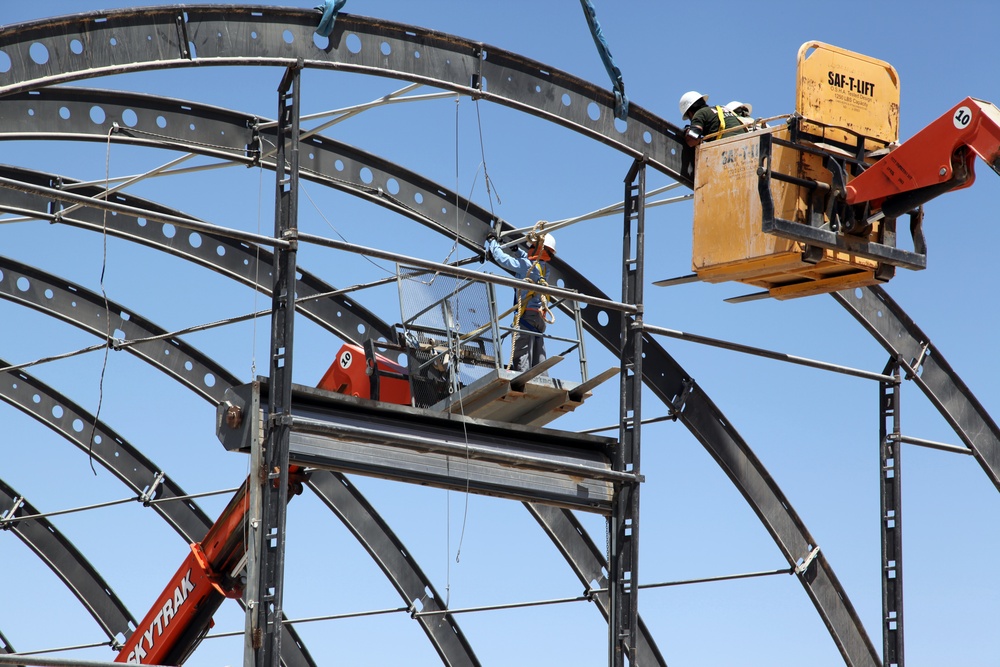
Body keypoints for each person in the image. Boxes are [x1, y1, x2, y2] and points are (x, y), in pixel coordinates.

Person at [483, 227, 556, 372]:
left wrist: (492, 241)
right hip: (540, 317)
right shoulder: (544, 268)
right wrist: (517, 251)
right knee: (538, 351)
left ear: (538, 249)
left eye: (532, 247)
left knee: (522, 351)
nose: (529, 249)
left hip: (527, 316)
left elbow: (503, 259)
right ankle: (541, 378)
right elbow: (528, 261)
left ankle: (521, 378)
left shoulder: (527, 266)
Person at [679, 91, 747, 146]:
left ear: (690, 113)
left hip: (729, 146)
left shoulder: (700, 114)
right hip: (746, 142)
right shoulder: (722, 109)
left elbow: (693, 140)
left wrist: (687, 133)